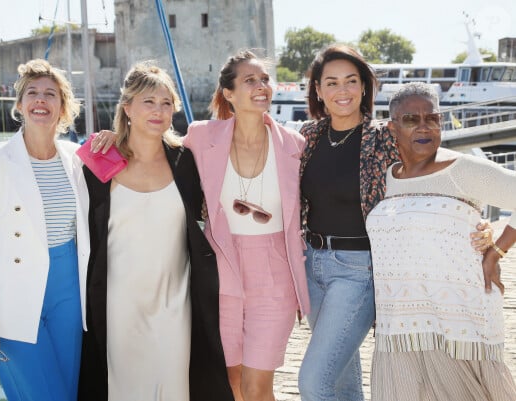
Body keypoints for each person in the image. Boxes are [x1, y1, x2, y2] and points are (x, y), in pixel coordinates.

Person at [297, 45, 492, 401]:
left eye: (352, 81)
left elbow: (432, 171)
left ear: (364, 88)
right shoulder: (308, 137)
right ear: (319, 91)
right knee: (341, 379)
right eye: (332, 82)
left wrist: (476, 219)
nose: (343, 91)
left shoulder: (384, 137)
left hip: (358, 270)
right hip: (312, 263)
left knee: (313, 382)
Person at [77, 62, 234, 401]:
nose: (159, 111)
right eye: (149, 101)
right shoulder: (98, 160)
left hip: (175, 303)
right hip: (118, 305)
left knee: (174, 388)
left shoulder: (186, 161)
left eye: (166, 103)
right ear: (127, 107)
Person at [366, 81, 516, 401]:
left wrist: (496, 250)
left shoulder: (463, 170)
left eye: (431, 118)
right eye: (410, 119)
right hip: (400, 328)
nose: (423, 126)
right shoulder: (385, 177)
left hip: (458, 327)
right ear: (393, 128)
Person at [0, 58, 90, 401]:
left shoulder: (77, 158)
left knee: (68, 391)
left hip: (69, 292)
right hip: (11, 297)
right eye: (32, 93)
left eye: (50, 94)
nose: (40, 99)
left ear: (63, 107)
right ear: (20, 104)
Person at [183, 50, 310, 401]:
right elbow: (153, 154)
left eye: (265, 80)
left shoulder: (294, 146)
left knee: (257, 388)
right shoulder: (200, 136)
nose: (261, 86)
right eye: (250, 80)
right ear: (228, 93)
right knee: (230, 381)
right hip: (221, 269)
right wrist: (109, 140)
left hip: (275, 272)